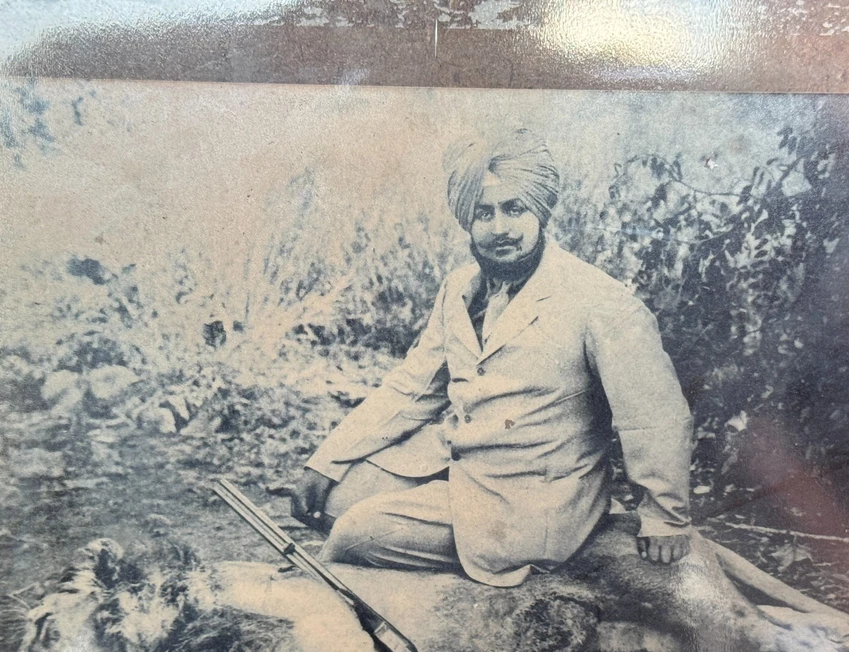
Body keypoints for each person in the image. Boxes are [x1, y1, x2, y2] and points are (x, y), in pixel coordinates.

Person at [287, 128, 693, 588]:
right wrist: (326, 461)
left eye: (514, 208)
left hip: (533, 499)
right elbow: (411, 388)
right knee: (330, 500)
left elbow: (654, 415)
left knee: (354, 536)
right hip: (459, 464)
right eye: (484, 213)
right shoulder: (459, 289)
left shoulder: (600, 302)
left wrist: (666, 518)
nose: (500, 228)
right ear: (467, 221)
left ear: (540, 212)